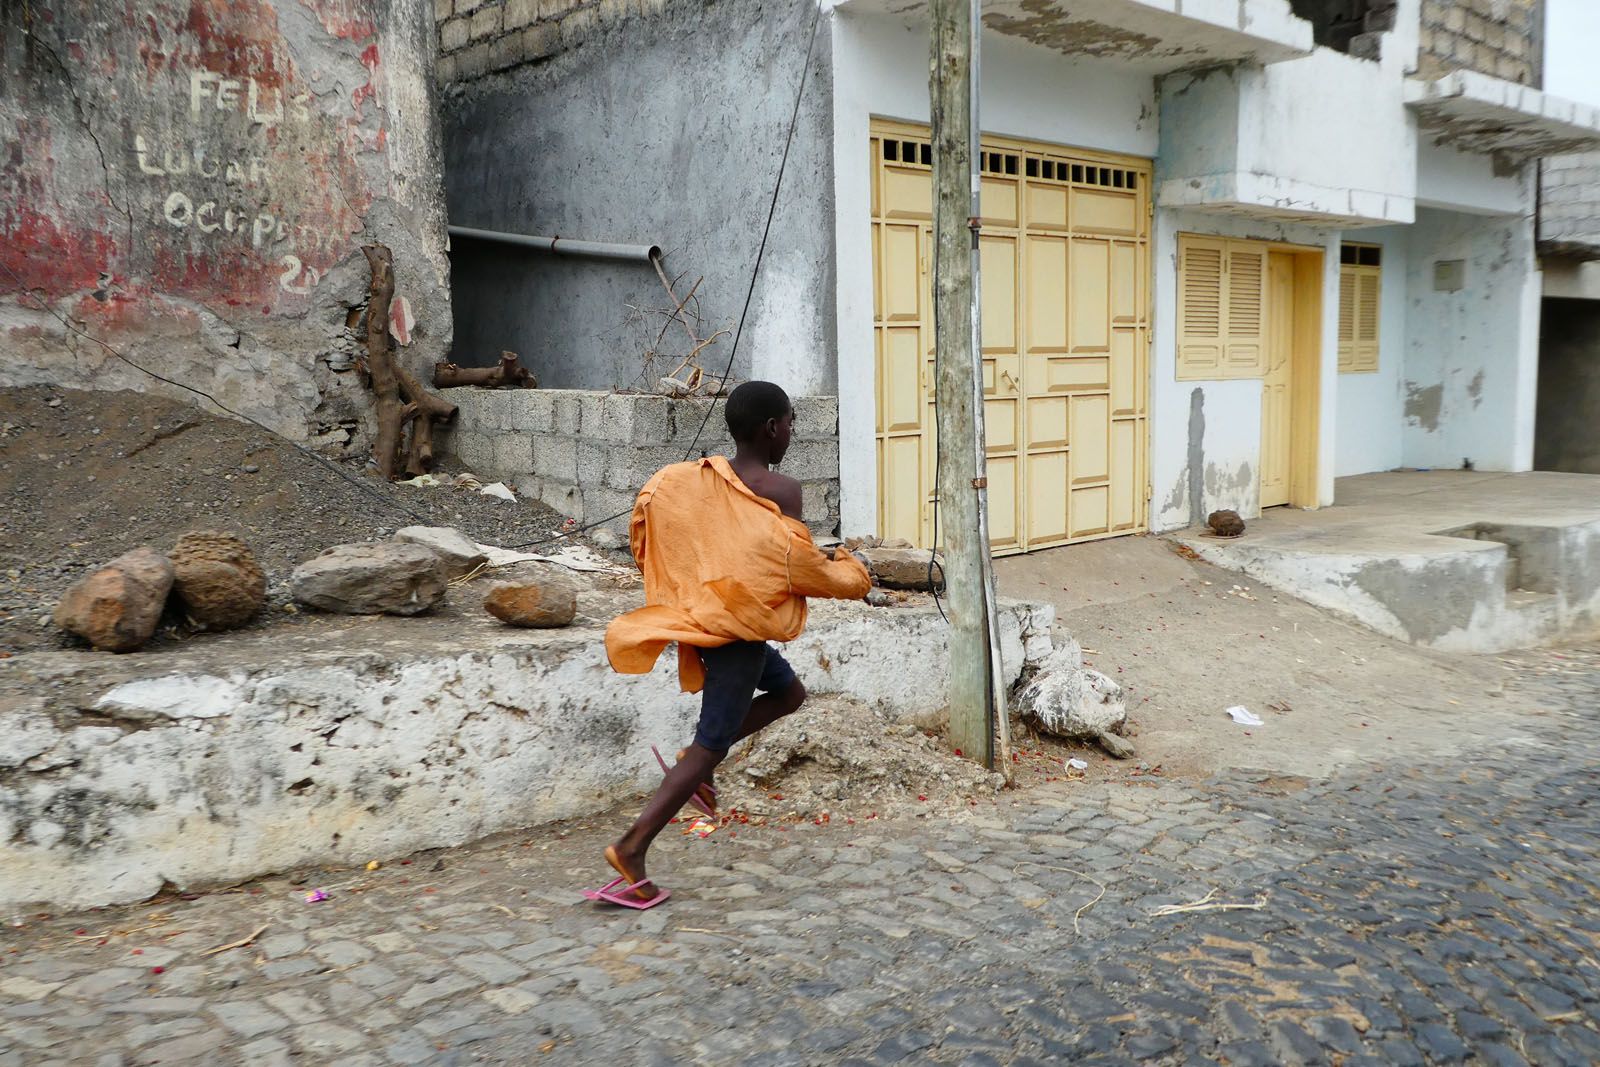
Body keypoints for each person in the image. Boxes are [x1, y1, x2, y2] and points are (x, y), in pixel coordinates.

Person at [589, 381, 871, 908]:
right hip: (736, 638)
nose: (790, 432)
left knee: (789, 695)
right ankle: (632, 847)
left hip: (714, 621)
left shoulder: (688, 480)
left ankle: (691, 764)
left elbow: (655, 525)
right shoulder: (783, 490)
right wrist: (852, 571)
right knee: (711, 743)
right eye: (789, 423)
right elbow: (793, 565)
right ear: (770, 428)